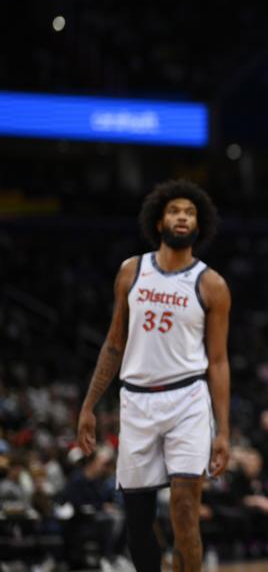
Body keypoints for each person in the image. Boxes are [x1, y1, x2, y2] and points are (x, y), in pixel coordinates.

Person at [76, 180, 232, 572]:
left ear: (200, 224)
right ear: (159, 220)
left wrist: (224, 431)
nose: (182, 216)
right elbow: (114, 343)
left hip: (188, 399)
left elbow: (218, 361)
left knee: (184, 509)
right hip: (136, 400)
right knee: (138, 525)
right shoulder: (132, 271)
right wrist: (89, 404)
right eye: (175, 210)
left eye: (190, 212)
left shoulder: (212, 284)